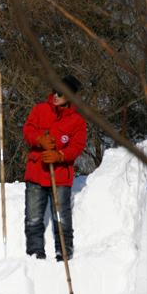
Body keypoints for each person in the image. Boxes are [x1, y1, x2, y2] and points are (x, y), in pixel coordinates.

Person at [22, 75, 87, 261]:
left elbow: (77, 146)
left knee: (62, 218)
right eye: (55, 91)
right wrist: (39, 139)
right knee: (33, 217)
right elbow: (28, 130)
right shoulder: (40, 109)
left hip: (60, 177)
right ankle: (35, 254)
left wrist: (60, 155)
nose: (56, 95)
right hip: (36, 173)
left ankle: (64, 252)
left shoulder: (77, 120)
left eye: (61, 93)